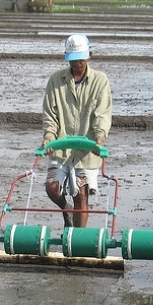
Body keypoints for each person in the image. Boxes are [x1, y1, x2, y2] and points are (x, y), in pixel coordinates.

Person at [41, 34, 112, 228]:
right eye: (72, 60)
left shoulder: (100, 81)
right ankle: (66, 210)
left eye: (80, 60)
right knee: (52, 187)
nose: (77, 64)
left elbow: (102, 114)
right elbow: (50, 115)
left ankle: (77, 241)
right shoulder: (56, 81)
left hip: (87, 149)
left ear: (90, 55)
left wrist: (99, 138)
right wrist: (48, 137)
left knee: (81, 195)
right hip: (60, 146)